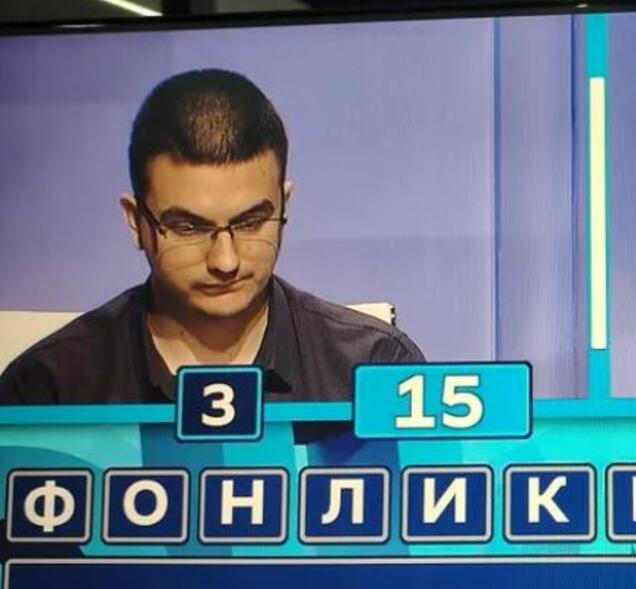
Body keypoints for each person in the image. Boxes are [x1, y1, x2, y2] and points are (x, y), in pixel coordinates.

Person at [0, 69, 423, 404]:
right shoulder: (48, 387)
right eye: (189, 227)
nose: (225, 261)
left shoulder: (376, 370)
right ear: (135, 221)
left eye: (251, 222)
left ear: (284, 205)